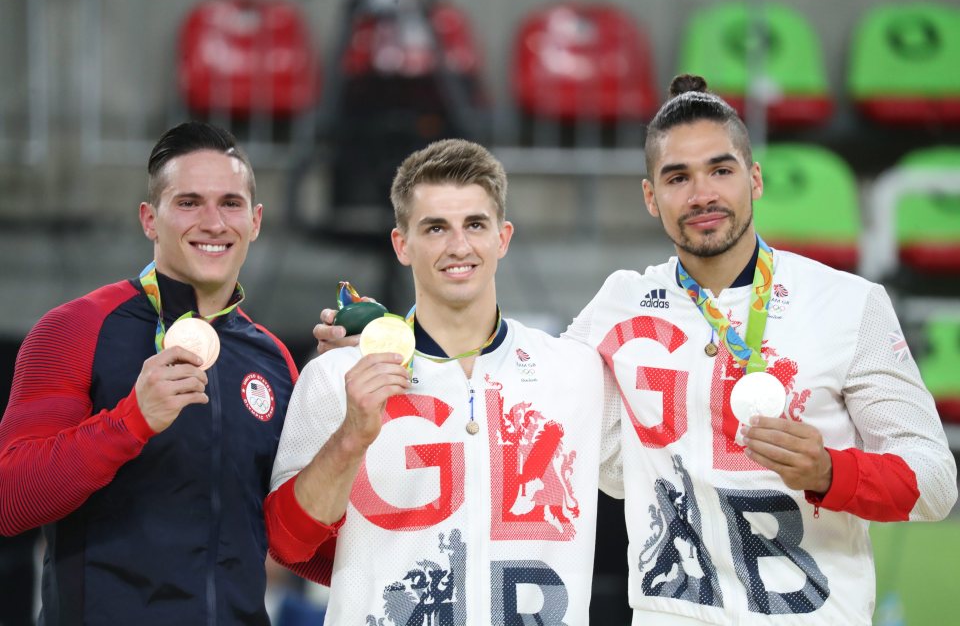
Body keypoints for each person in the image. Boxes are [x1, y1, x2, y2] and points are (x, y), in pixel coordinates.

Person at [564, 74, 958, 625]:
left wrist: (828, 472)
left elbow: (935, 484)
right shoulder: (621, 304)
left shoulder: (848, 303)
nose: (702, 194)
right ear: (651, 198)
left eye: (721, 170)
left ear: (754, 178)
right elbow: (540, 401)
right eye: (678, 177)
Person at [265, 139, 609, 624]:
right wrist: (350, 439)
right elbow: (287, 544)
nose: (458, 246)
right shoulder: (336, 375)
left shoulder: (576, 372)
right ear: (401, 245)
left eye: (475, 224)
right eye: (435, 228)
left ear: (503, 237)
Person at [0, 121, 301, 625]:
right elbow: (11, 501)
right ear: (149, 219)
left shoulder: (273, 360)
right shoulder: (75, 329)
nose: (213, 222)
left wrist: (344, 413)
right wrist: (132, 420)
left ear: (255, 221)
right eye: (188, 202)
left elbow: (300, 549)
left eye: (230, 203)